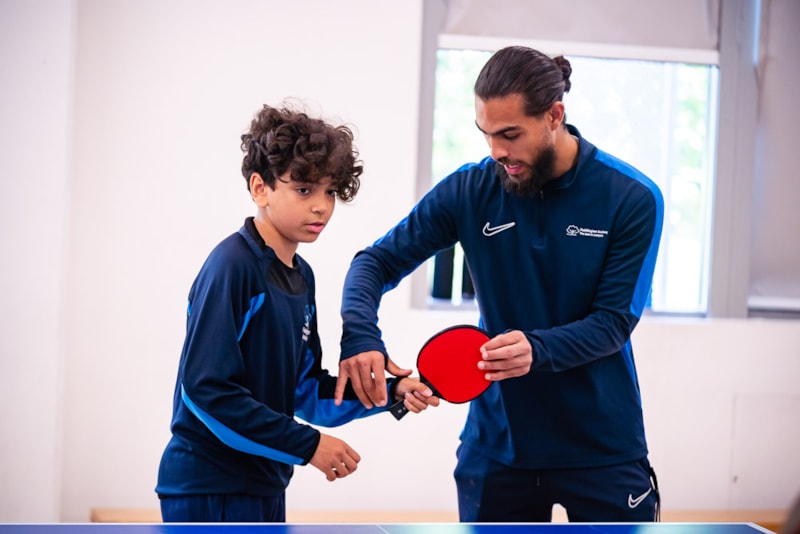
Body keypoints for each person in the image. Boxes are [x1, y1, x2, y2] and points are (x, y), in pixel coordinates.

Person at [334, 46, 664, 523]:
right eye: (486, 134)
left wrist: (537, 349)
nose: (496, 152)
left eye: (510, 134)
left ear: (554, 115)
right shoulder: (470, 191)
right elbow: (375, 262)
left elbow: (613, 323)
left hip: (603, 448)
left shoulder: (631, 198)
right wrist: (360, 334)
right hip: (497, 448)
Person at [155, 102, 436, 523]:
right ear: (260, 188)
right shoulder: (232, 266)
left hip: (264, 484)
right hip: (209, 489)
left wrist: (389, 393)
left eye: (330, 192)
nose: (322, 206)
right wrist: (308, 445)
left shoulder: (301, 276)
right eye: (304, 190)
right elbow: (206, 392)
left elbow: (305, 391)